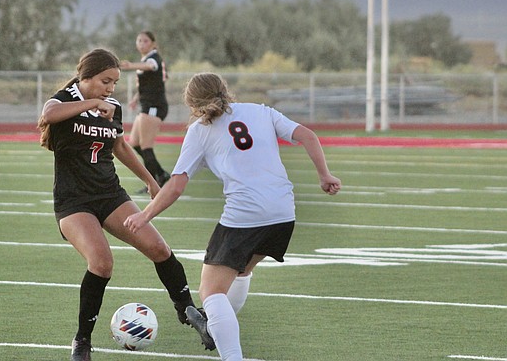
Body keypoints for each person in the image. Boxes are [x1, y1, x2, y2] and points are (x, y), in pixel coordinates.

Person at [124, 72, 341, 360]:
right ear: (225, 90)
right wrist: (324, 175)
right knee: (241, 272)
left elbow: (175, 185)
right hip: (283, 211)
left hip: (246, 214)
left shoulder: (200, 130)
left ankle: (229, 350)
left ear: (191, 104)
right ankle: (218, 326)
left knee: (210, 292)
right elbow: (307, 135)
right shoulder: (260, 111)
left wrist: (145, 216)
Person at [37, 49, 199, 361]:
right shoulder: (65, 98)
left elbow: (120, 145)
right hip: (74, 201)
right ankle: (82, 341)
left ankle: (188, 309)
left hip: (110, 194)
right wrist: (92, 102)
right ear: (85, 77)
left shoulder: (112, 106)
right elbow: (49, 114)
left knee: (158, 248)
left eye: (114, 82)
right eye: (105, 81)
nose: (111, 88)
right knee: (102, 263)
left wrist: (151, 179)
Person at [120, 31, 171, 187]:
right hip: (147, 105)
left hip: (154, 106)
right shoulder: (146, 60)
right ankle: (161, 174)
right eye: (139, 40)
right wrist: (136, 99)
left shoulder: (153, 59)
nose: (141, 44)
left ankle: (153, 183)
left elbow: (151, 66)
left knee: (146, 146)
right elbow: (155, 80)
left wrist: (130, 65)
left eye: (145, 41)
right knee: (134, 143)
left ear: (153, 44)